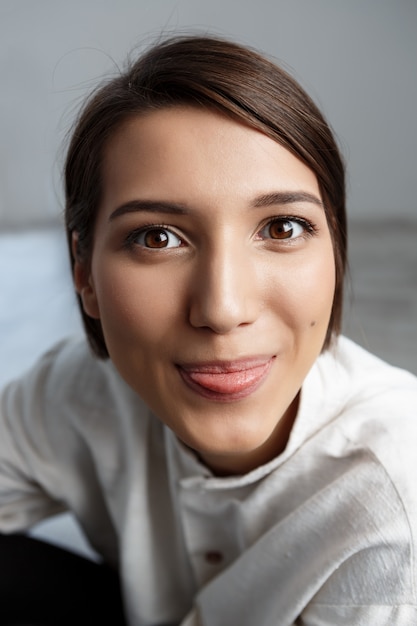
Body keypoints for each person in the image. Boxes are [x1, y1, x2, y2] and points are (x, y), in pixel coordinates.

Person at [1, 34, 416, 626]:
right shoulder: (81, 392)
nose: (222, 309)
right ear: (83, 274)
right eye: (157, 237)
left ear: (337, 254)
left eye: (282, 228)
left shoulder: (397, 507)